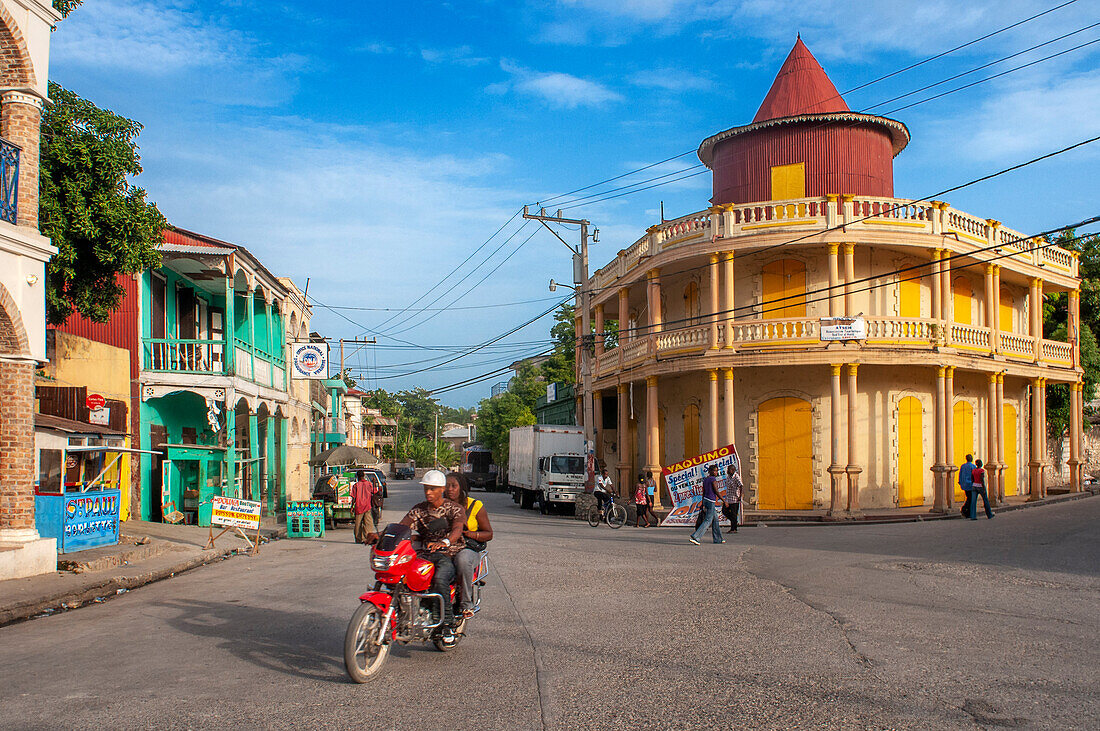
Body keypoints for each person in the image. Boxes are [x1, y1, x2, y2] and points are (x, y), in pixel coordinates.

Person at [399, 469, 466, 628]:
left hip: (447, 555)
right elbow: (401, 526)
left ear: (442, 489)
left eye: (432, 488)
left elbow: (457, 529)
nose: (428, 492)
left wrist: (445, 542)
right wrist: (381, 535)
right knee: (403, 576)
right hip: (425, 554)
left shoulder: (454, 508)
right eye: (426, 488)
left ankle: (446, 624)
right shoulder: (419, 509)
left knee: (439, 578)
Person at [445, 472, 493, 619]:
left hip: (468, 549)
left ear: (462, 488)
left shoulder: (475, 505)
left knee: (463, 559)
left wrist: (472, 534)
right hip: (446, 547)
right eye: (447, 486)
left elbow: (489, 534)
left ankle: (466, 603)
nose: (450, 489)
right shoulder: (441, 505)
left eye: (454, 486)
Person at [690, 465, 726, 545]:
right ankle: (696, 536)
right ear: (710, 471)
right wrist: (724, 501)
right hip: (710, 501)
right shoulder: (713, 479)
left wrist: (703, 503)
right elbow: (716, 491)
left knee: (715, 520)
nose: (716, 472)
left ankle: (718, 539)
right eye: (714, 471)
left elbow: (704, 492)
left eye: (716, 470)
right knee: (708, 520)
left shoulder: (705, 479)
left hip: (706, 500)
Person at [351, 470, 377, 545]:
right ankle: (367, 538)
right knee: (368, 523)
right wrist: (374, 482)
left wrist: (352, 507)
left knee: (358, 524)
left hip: (359, 506)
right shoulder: (369, 484)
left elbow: (354, 497)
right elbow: (374, 491)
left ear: (357, 476)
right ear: (364, 476)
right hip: (367, 506)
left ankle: (359, 539)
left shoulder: (356, 485)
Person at [721, 463, 743, 533]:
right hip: (728, 498)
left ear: (733, 470)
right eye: (728, 469)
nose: (728, 471)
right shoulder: (728, 477)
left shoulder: (736, 477)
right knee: (724, 511)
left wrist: (740, 496)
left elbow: (741, 486)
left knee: (734, 513)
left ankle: (734, 529)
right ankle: (734, 521)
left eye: (729, 470)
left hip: (734, 499)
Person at [958, 454, 975, 519]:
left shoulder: (963, 466)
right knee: (970, 498)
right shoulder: (973, 466)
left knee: (968, 497)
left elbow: (960, 474)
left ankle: (967, 511)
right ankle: (965, 509)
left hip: (965, 484)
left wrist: (960, 482)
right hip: (971, 484)